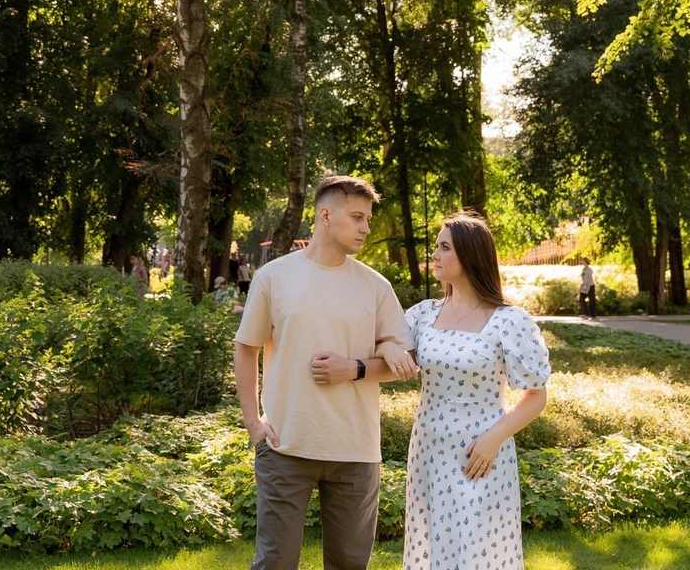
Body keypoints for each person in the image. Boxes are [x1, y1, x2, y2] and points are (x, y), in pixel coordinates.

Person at [234, 175, 417, 570]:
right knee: (275, 562)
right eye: (357, 218)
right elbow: (246, 347)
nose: (366, 228)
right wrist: (253, 423)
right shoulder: (273, 277)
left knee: (350, 564)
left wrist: (353, 368)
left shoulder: (375, 286)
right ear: (325, 215)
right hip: (285, 445)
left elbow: (403, 363)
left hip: (355, 449)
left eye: (368, 218)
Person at [402, 210, 551, 570]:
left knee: (474, 551)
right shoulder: (422, 314)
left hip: (479, 452)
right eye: (436, 247)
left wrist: (493, 438)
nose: (435, 256)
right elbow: (388, 358)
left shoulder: (508, 320)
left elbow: (536, 395)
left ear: (470, 255)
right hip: (428, 448)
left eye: (444, 248)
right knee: (433, 545)